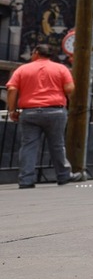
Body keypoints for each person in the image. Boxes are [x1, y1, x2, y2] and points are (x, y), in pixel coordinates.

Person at [5, 44, 84, 188]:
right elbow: (69, 88)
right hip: (55, 111)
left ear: (35, 53)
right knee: (57, 145)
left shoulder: (22, 69)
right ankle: (63, 176)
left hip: (30, 112)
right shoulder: (61, 69)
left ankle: (26, 180)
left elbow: (11, 89)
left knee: (28, 146)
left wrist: (12, 110)